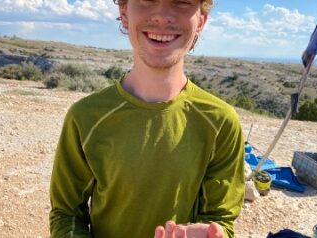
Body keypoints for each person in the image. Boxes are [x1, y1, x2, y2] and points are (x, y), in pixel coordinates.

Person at [49, 0, 245, 237]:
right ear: (124, 13)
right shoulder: (85, 117)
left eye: (181, 2)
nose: (162, 16)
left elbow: (221, 219)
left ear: (201, 21)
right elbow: (66, 214)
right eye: (146, 0)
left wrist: (212, 234)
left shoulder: (220, 122)